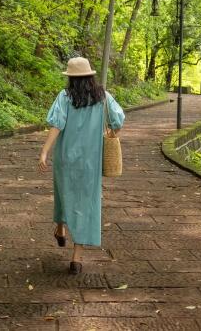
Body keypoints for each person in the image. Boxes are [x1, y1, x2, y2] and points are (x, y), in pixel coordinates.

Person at [38, 56, 125, 273]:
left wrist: (44, 151)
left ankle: (60, 229)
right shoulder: (103, 97)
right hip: (91, 161)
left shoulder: (65, 97)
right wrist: (109, 134)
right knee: (87, 204)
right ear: (90, 76)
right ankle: (76, 259)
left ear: (71, 78)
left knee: (63, 194)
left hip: (66, 157)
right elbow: (118, 120)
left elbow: (56, 124)